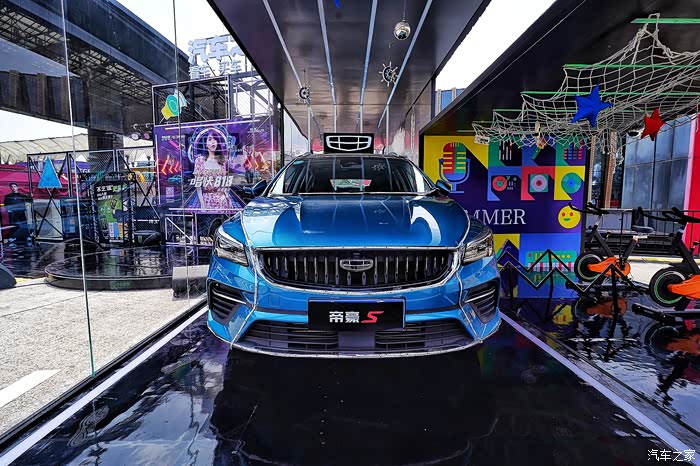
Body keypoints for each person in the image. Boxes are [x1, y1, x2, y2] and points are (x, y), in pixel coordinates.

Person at [192, 129, 234, 211]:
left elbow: (223, 185)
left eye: (215, 139)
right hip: (208, 200)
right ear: (206, 144)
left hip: (222, 201)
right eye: (210, 139)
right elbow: (198, 185)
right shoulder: (200, 161)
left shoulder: (222, 161)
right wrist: (202, 204)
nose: (213, 142)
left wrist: (228, 199)